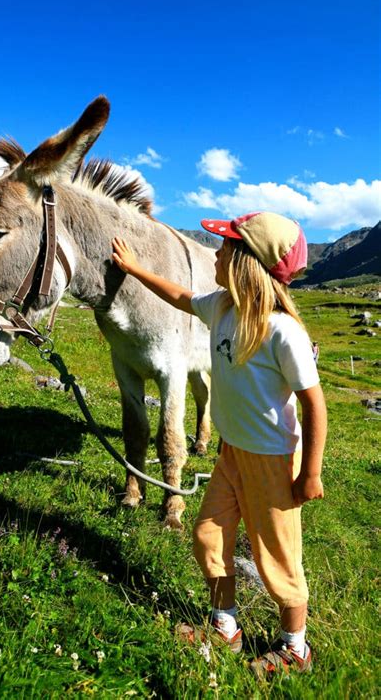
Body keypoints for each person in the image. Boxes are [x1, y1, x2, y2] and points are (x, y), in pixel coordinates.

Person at [112, 211, 327, 677]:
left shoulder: (281, 331)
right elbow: (179, 295)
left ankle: (296, 648)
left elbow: (315, 405)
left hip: (272, 463)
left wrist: (310, 473)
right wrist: (133, 269)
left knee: (279, 560)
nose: (216, 253)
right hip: (231, 454)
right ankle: (225, 626)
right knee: (207, 536)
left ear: (247, 262)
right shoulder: (222, 308)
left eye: (226, 247)